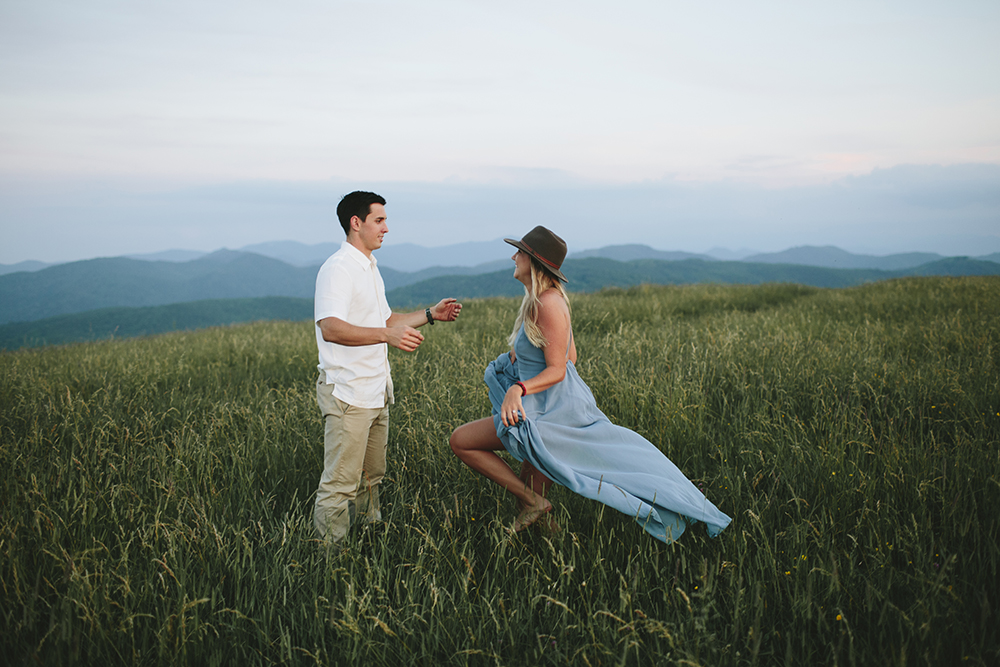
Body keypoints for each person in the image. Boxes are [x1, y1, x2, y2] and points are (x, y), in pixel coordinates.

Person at [449, 226, 731, 542]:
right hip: (545, 406)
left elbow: (559, 367)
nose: (513, 256)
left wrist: (519, 388)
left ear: (534, 261)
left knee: (463, 441)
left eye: (520, 252)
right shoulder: (538, 301)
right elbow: (571, 353)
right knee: (530, 485)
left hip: (546, 410)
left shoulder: (548, 303)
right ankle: (549, 549)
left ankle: (540, 514)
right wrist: (519, 360)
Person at [314, 190, 462, 543]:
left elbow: (387, 319)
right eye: (378, 221)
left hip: (375, 390)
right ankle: (328, 563)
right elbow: (330, 327)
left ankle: (369, 540)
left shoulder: (369, 267)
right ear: (356, 223)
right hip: (348, 391)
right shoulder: (338, 269)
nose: (386, 228)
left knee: (371, 476)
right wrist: (386, 335)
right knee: (339, 485)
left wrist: (430, 315)